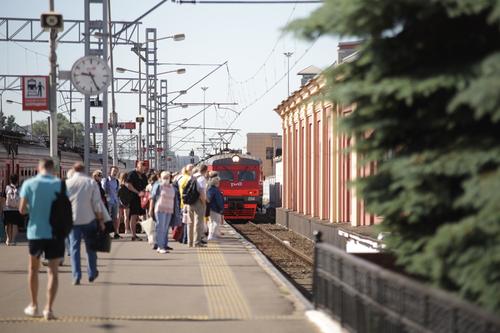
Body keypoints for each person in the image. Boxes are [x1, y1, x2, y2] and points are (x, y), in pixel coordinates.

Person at [18, 158, 65, 320]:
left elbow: (22, 209)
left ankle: (33, 305)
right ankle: (49, 309)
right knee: (53, 271)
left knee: (33, 269)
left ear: (39, 168)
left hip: (35, 232)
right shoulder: (59, 184)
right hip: (55, 233)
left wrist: (35, 207)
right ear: (53, 169)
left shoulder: (29, 184)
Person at [66, 163, 105, 285]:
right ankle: (92, 272)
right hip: (89, 219)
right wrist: (101, 220)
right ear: (84, 170)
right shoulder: (91, 183)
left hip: (73, 220)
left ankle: (76, 275)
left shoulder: (68, 183)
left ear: (73, 170)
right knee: (91, 248)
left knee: (74, 248)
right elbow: (97, 203)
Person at [149, 171, 175, 253]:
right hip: (160, 209)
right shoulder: (158, 186)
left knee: (166, 229)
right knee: (160, 228)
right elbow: (152, 198)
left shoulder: (171, 187)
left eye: (168, 177)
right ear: (160, 178)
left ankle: (164, 245)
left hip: (169, 210)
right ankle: (159, 246)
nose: (166, 179)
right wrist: (151, 209)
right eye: (164, 177)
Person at [126, 161, 148, 241]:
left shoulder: (144, 176)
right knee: (134, 216)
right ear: (137, 166)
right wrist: (138, 192)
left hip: (142, 198)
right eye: (142, 167)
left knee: (144, 215)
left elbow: (146, 186)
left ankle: (147, 233)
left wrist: (144, 192)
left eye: (144, 168)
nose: (143, 169)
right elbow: (128, 185)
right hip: (133, 197)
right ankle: (133, 235)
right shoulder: (132, 174)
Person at [191, 164, 209, 247]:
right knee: (199, 222)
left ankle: (190, 241)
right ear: (205, 170)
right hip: (198, 202)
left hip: (190, 202)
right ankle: (197, 242)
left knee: (190, 223)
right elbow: (202, 192)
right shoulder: (202, 178)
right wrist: (204, 202)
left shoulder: (192, 176)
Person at [3, 174, 23, 245]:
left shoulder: (7, 187)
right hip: (16, 209)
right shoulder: (20, 188)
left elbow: (3, 198)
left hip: (7, 209)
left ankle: (8, 239)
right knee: (15, 225)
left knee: (8, 224)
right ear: (17, 180)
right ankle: (13, 240)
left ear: (10, 180)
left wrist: (2, 208)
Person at [102, 166, 121, 239]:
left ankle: (116, 233)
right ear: (110, 172)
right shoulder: (105, 180)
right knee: (107, 218)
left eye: (116, 171)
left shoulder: (116, 181)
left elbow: (117, 191)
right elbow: (103, 190)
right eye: (114, 171)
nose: (115, 172)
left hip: (115, 201)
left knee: (115, 218)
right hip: (108, 202)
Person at [178, 165, 194, 246]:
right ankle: (185, 239)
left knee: (184, 222)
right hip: (187, 203)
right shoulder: (188, 179)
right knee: (188, 223)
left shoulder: (181, 178)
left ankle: (183, 238)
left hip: (182, 203)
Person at [207, 176, 224, 240]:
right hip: (215, 209)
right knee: (216, 222)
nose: (219, 183)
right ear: (216, 183)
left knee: (211, 222)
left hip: (211, 208)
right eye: (218, 182)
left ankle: (212, 235)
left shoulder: (210, 189)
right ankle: (212, 236)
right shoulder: (215, 190)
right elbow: (219, 200)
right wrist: (221, 208)